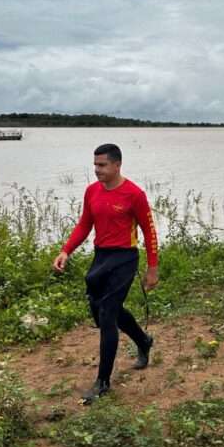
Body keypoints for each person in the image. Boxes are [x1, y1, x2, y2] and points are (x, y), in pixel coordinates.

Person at [52, 144, 157, 404]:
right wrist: (66, 250)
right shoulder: (92, 192)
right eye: (95, 165)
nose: (96, 169)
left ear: (117, 165)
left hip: (124, 258)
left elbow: (149, 231)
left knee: (108, 314)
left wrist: (152, 268)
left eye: (102, 165)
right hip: (101, 257)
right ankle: (143, 340)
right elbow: (85, 224)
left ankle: (103, 382)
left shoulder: (134, 194)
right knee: (102, 310)